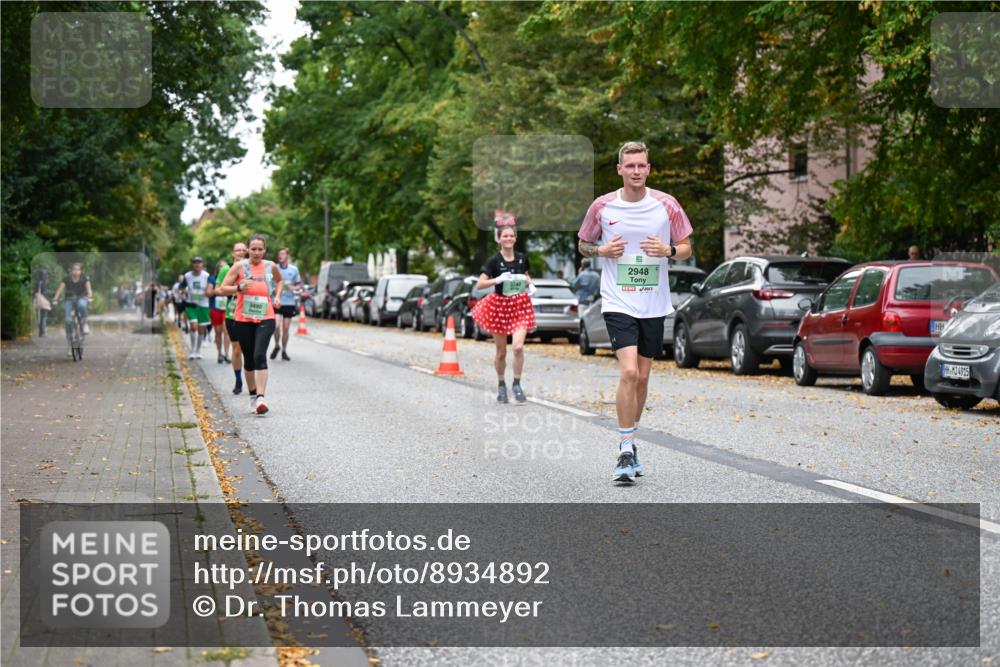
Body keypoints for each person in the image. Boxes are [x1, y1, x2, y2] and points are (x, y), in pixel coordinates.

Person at [577, 141, 693, 484]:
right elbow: (583, 242)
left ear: (649, 168)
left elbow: (686, 247)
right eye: (630, 166)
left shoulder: (666, 205)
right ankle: (625, 448)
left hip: (654, 303)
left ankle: (632, 440)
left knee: (643, 377)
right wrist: (601, 250)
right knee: (628, 372)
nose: (637, 171)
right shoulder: (602, 206)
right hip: (617, 301)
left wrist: (668, 249)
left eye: (642, 165)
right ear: (620, 169)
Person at [471, 214, 536, 404]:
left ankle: (517, 384)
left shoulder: (522, 258)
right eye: (505, 236)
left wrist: (530, 285)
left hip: (520, 305)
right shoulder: (493, 261)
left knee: (518, 347)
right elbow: (479, 285)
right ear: (499, 239)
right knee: (501, 352)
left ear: (515, 238)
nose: (509, 239)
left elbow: (525, 275)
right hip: (499, 307)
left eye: (511, 236)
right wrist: (497, 279)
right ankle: (501, 385)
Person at [218, 234, 283, 415]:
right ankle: (253, 396)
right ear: (248, 250)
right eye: (253, 249)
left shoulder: (271, 266)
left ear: (264, 250)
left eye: (260, 249)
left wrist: (277, 296)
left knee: (259, 355)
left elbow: (279, 280)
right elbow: (222, 288)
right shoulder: (240, 266)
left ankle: (261, 397)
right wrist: (238, 288)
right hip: (243, 318)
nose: (256, 252)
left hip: (266, 316)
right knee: (249, 359)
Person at [219, 242, 248, 394]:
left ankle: (254, 381)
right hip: (232, 314)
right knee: (237, 350)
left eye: (244, 250)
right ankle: (238, 379)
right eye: (238, 250)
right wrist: (234, 291)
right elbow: (219, 289)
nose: (241, 252)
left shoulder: (252, 267)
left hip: (250, 314)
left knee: (250, 350)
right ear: (233, 253)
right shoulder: (226, 269)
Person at [270, 247, 303, 361]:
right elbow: (268, 283)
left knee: (286, 328)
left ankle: (284, 350)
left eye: (282, 254)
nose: (280, 256)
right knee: (276, 326)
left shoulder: (294, 269)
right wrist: (273, 289)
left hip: (289, 302)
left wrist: (293, 287)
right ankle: (276, 345)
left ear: (287, 256)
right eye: (279, 254)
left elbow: (299, 285)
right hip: (277, 300)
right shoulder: (274, 268)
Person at [51, 262, 93, 348]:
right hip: (69, 299)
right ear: (70, 271)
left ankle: (84, 323)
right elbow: (60, 289)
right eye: (74, 269)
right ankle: (69, 341)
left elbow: (89, 289)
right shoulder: (66, 279)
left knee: (82, 305)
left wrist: (89, 296)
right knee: (68, 320)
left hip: (81, 297)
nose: (76, 271)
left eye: (78, 270)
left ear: (81, 271)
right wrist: (55, 298)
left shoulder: (84, 278)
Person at [180, 257, 212, 359]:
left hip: (203, 304)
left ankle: (198, 351)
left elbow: (212, 287)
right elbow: (181, 287)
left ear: (202, 265)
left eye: (199, 263)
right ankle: (192, 350)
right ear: (193, 265)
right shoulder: (187, 276)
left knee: (201, 329)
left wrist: (208, 291)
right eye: (195, 263)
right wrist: (184, 291)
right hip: (191, 304)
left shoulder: (207, 276)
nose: (197, 265)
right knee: (193, 326)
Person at [206, 259, 231, 364]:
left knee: (227, 331)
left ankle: (227, 354)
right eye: (221, 266)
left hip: (227, 308)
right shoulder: (212, 279)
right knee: (218, 332)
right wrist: (218, 291)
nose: (223, 268)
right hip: (215, 308)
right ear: (217, 269)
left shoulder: (231, 279)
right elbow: (208, 293)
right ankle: (219, 353)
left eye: (225, 266)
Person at [34, 268, 52, 337]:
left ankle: (41, 333)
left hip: (39, 301)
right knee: (44, 317)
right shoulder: (43, 283)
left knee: (41, 317)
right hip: (43, 301)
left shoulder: (38, 282)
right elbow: (44, 293)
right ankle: (43, 333)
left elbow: (36, 292)